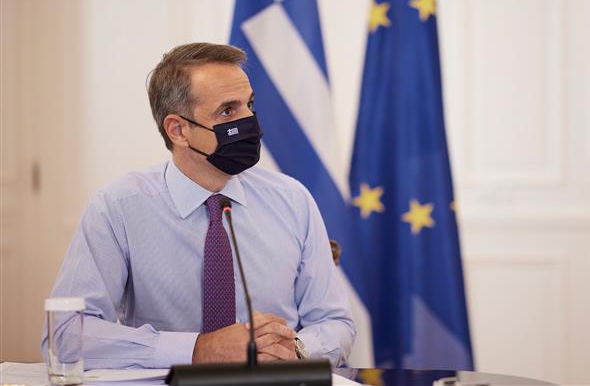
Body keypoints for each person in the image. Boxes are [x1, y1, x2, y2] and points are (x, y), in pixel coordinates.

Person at [40, 43, 355, 369]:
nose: (249, 121)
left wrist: (296, 349)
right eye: (228, 111)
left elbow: (335, 321)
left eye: (249, 105)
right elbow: (64, 335)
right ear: (178, 130)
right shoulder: (117, 208)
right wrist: (197, 350)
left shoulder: (292, 200)